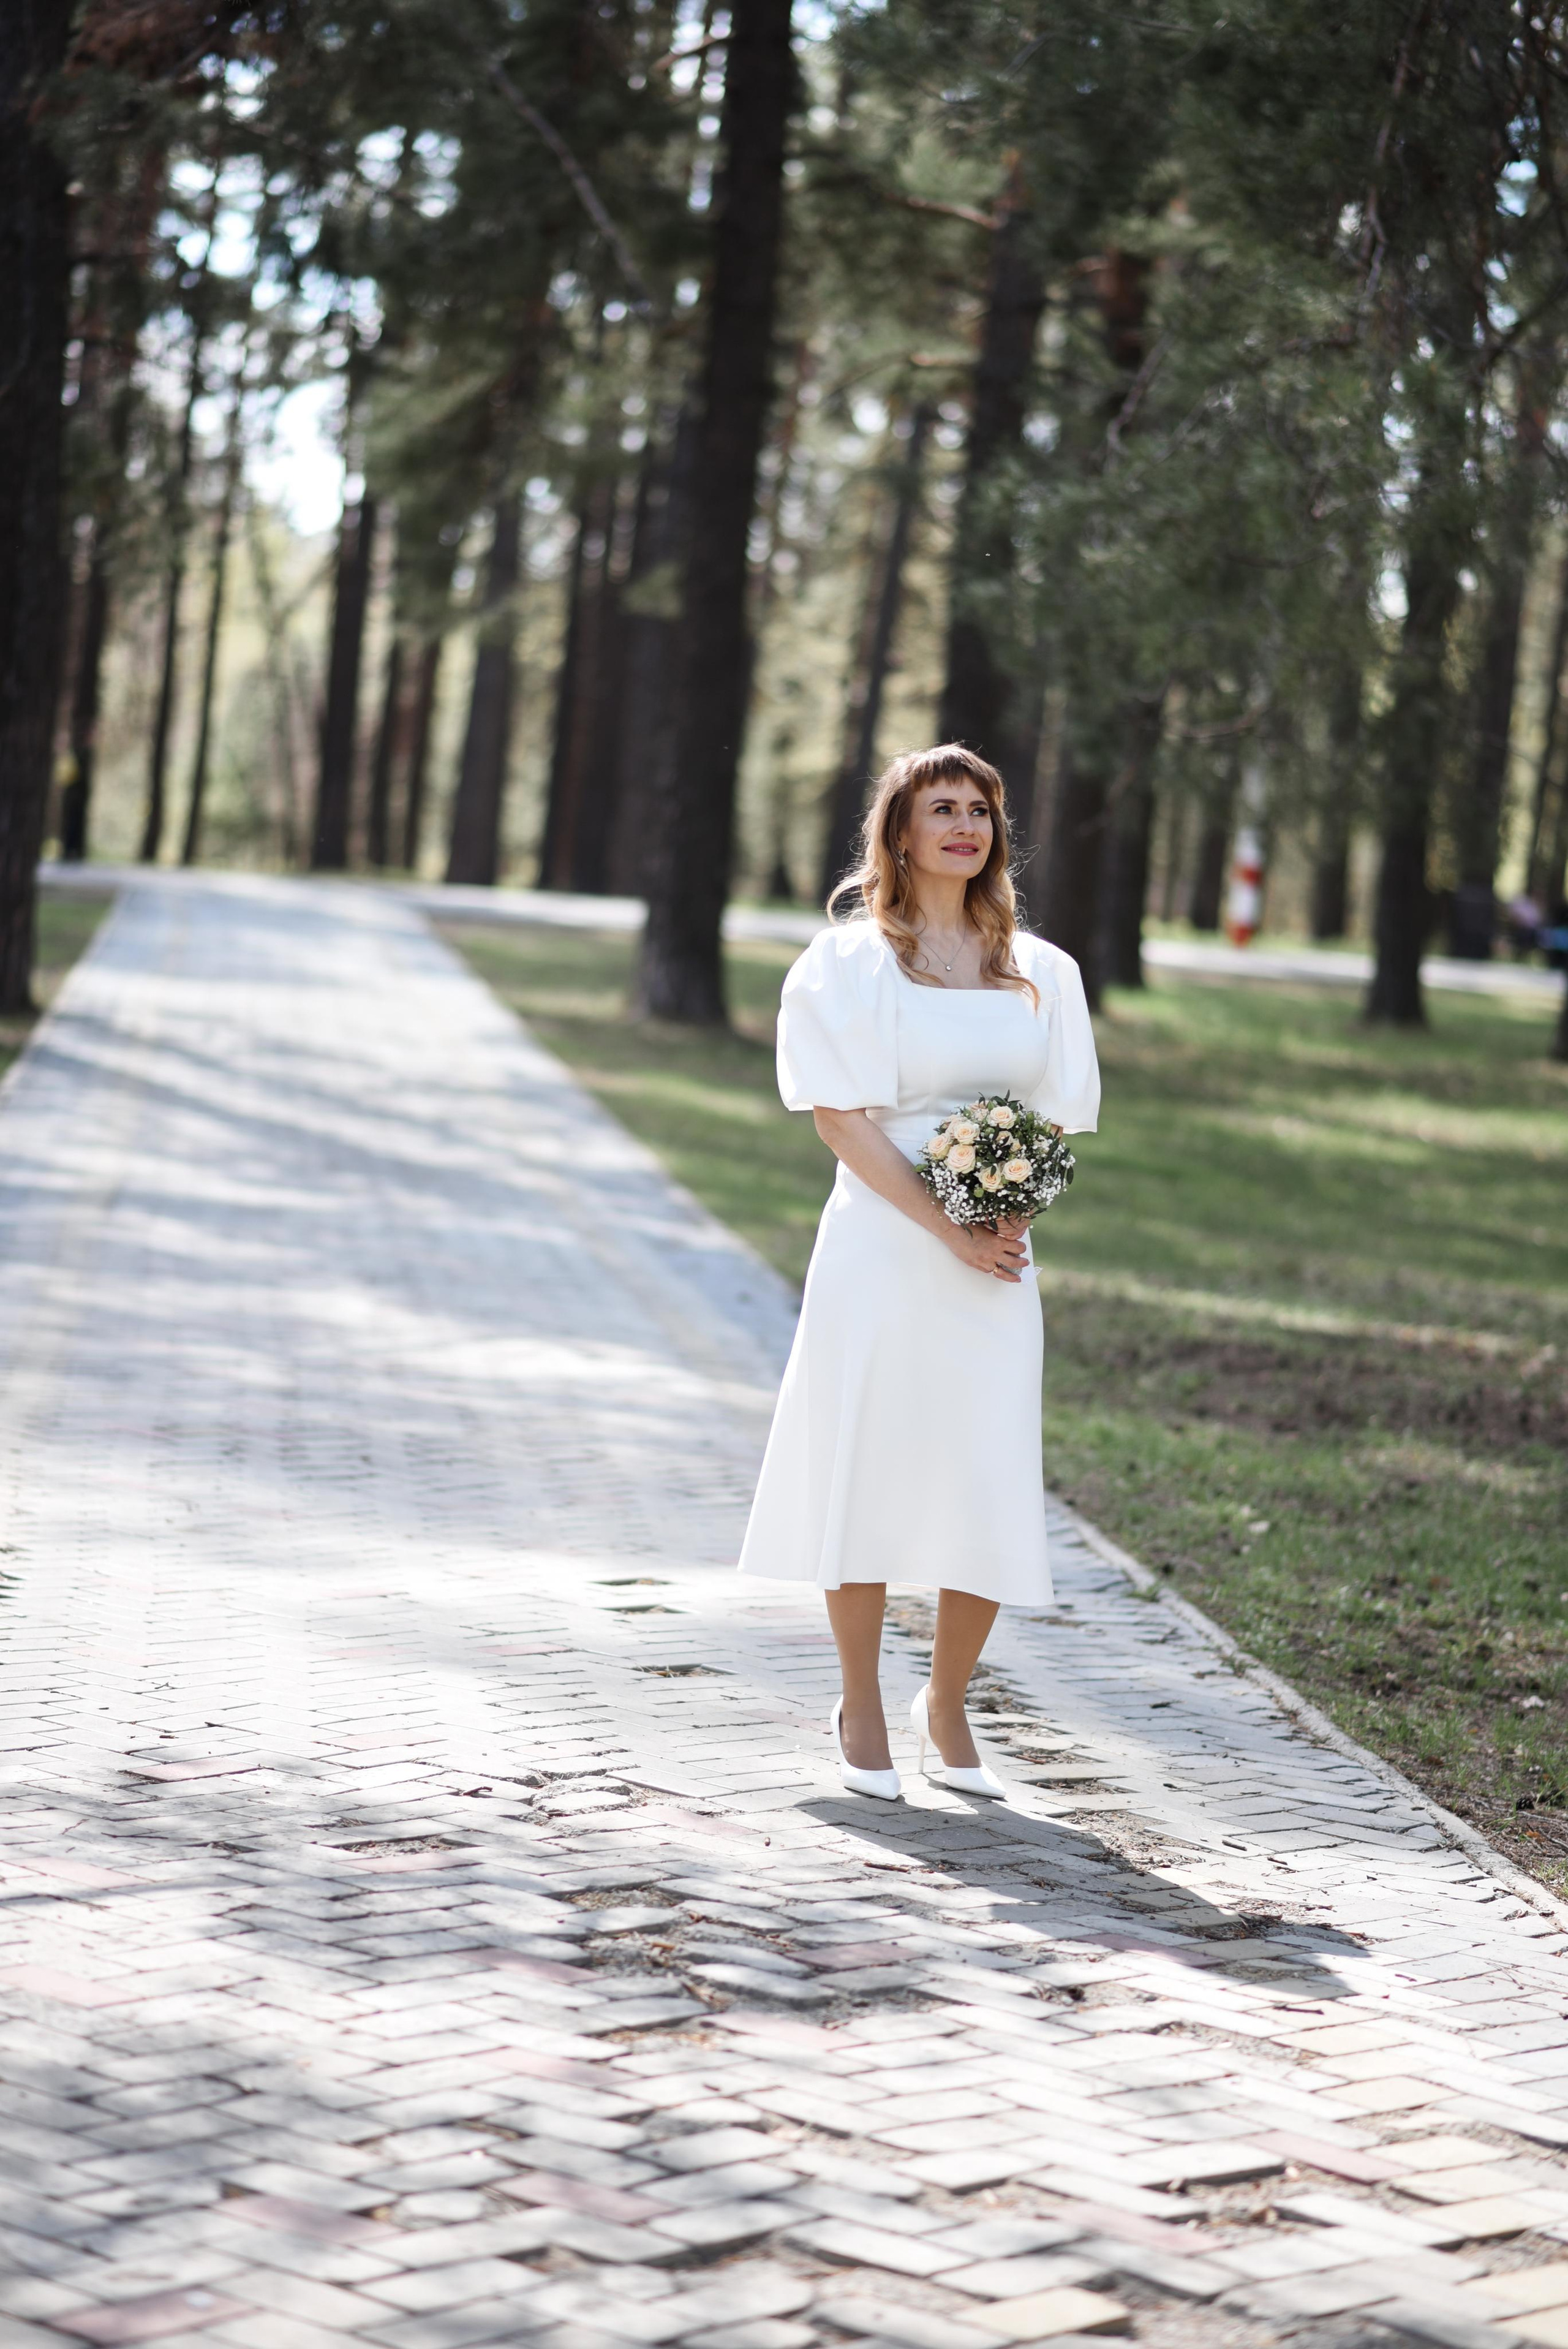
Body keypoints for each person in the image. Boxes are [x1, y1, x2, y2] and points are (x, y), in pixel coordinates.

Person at [737, 744, 1100, 1802]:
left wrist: (1003, 1216)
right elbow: (840, 1118)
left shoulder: (1047, 972)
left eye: (980, 810)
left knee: (981, 1470)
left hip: (996, 1261)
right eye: (942, 808)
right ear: (899, 832)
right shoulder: (846, 963)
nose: (965, 826)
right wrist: (947, 1226)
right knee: (867, 1466)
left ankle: (946, 1700)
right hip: (883, 1248)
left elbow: (1051, 1125)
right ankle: (859, 1701)